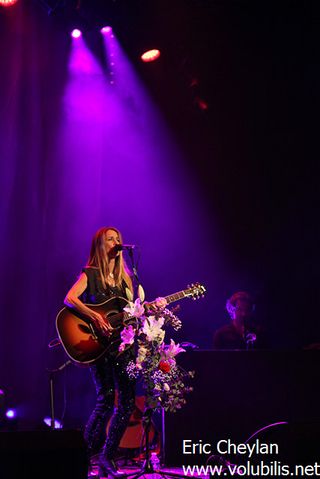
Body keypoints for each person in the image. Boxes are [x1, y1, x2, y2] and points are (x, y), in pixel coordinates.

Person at [64, 226, 166, 477]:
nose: (116, 242)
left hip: (123, 345)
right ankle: (81, 457)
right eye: (110, 239)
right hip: (100, 346)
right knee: (106, 400)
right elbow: (70, 299)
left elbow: (133, 313)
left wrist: (152, 309)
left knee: (128, 401)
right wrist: (94, 317)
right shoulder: (91, 273)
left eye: (118, 238)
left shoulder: (126, 278)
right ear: (100, 245)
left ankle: (107, 458)